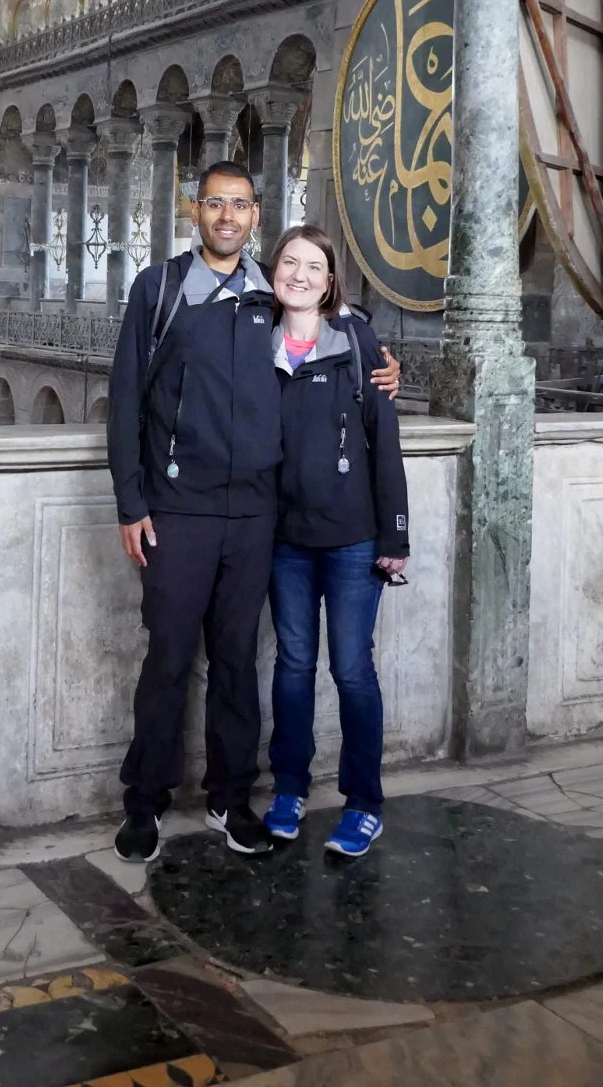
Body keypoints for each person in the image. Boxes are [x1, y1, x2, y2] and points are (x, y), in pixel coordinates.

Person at [107, 162, 401, 864]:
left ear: (256, 215)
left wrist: (386, 362)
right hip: (178, 509)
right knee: (169, 660)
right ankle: (143, 804)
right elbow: (124, 400)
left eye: (240, 205)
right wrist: (131, 499)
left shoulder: (272, 296)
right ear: (196, 211)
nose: (227, 217)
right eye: (215, 204)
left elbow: (333, 335)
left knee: (238, 661)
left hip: (258, 517)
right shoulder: (163, 290)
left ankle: (230, 800)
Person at [262, 225, 409, 859]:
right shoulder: (251, 341)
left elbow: (387, 443)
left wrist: (394, 533)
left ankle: (362, 803)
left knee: (351, 669)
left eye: (313, 266)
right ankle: (290, 789)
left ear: (329, 283)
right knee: (293, 666)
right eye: (289, 262)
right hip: (283, 540)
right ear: (273, 272)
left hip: (352, 540)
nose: (299, 274)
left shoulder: (355, 342)